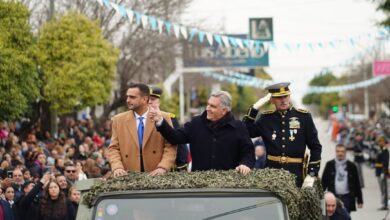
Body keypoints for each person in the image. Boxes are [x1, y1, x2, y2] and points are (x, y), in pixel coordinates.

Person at [149, 90, 255, 174]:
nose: (207, 108)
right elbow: (175, 137)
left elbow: (248, 153)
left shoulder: (239, 127)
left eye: (212, 106)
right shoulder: (196, 123)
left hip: (228, 186)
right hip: (200, 187)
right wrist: (160, 121)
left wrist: (245, 164)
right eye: (208, 104)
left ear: (224, 110)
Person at [243, 82, 322, 186]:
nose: (283, 100)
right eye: (279, 97)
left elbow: (315, 147)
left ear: (289, 96)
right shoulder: (266, 119)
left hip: (296, 175)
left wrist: (312, 173)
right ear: (272, 100)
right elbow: (245, 132)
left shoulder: (304, 117)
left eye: (285, 96)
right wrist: (254, 108)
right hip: (271, 175)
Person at [108, 83, 177, 177]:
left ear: (144, 99)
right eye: (127, 97)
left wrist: (163, 167)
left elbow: (170, 146)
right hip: (128, 176)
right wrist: (117, 167)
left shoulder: (163, 117)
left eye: (132, 97)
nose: (128, 100)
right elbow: (113, 148)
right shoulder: (118, 120)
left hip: (157, 175)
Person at [149, 86, 189, 171]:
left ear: (158, 102)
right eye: (147, 99)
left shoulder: (169, 118)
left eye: (152, 99)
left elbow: (178, 141)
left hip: (163, 166)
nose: (149, 102)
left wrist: (181, 165)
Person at [322, 144, 363, 213]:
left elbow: (357, 183)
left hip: (346, 197)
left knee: (345, 216)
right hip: (333, 197)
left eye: (342, 151)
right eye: (338, 151)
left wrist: (360, 200)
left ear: (345, 152)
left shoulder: (351, 166)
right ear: (335, 152)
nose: (340, 153)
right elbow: (323, 182)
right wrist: (320, 199)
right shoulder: (329, 164)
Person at [375, 135, 389, 211]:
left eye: (381, 141)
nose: (379, 142)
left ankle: (385, 204)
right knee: (382, 189)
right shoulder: (380, 150)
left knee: (384, 189)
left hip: (381, 171)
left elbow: (385, 163)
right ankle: (383, 203)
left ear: (384, 142)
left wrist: (383, 172)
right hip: (378, 171)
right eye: (379, 141)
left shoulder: (385, 151)